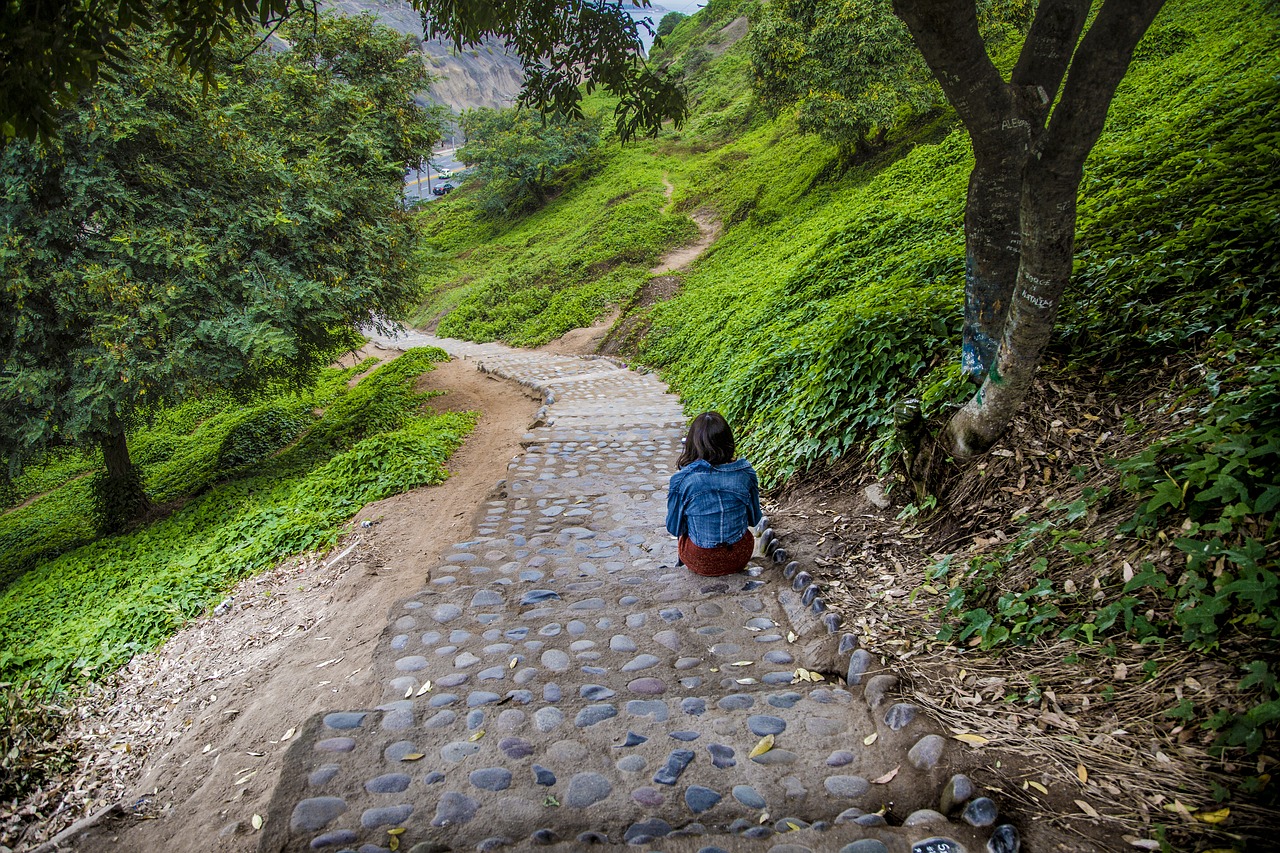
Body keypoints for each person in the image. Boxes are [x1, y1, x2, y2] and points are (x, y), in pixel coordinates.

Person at [665, 411, 763, 577]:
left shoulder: (682, 480)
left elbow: (674, 528)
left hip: (701, 559)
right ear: (728, 442)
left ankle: (683, 564)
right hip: (739, 555)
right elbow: (754, 519)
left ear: (692, 444)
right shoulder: (746, 473)